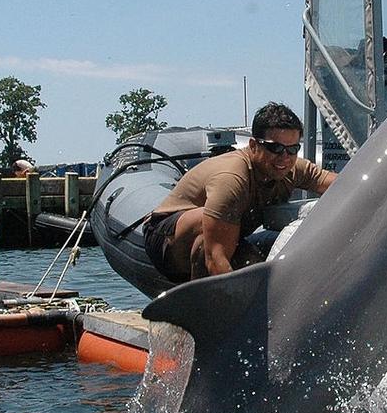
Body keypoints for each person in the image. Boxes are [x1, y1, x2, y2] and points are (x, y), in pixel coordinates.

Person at [143, 102, 337, 283]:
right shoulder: (232, 177)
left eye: (293, 149)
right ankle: (202, 313)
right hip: (168, 241)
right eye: (275, 148)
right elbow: (215, 259)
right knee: (208, 236)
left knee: (252, 264)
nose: (284, 157)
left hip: (229, 237)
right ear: (253, 145)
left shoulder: (291, 168)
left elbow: (340, 184)